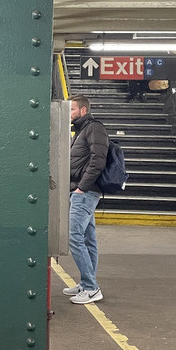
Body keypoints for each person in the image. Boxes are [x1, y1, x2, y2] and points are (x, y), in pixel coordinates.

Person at [66, 95, 108, 305]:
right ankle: (86, 282)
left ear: (83, 110)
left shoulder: (93, 128)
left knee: (74, 236)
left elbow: (98, 160)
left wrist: (82, 187)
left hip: (85, 192)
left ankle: (91, 288)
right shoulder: (81, 130)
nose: (69, 113)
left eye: (72, 109)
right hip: (81, 191)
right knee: (89, 238)